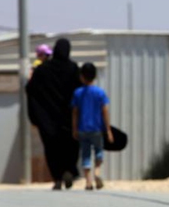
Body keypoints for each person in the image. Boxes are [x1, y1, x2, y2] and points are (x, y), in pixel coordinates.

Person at [25, 38, 81, 190]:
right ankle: (69, 170)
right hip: (69, 119)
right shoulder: (73, 69)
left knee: (52, 149)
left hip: (48, 120)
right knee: (71, 147)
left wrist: (35, 115)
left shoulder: (43, 70)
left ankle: (57, 178)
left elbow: (30, 90)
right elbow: (80, 91)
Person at [71, 62, 113, 191]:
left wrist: (74, 128)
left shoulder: (78, 93)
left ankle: (88, 181)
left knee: (86, 154)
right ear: (95, 76)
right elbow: (105, 111)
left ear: (82, 77)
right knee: (99, 151)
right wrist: (108, 129)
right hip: (97, 129)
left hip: (83, 129)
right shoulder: (100, 93)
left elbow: (75, 112)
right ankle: (97, 172)